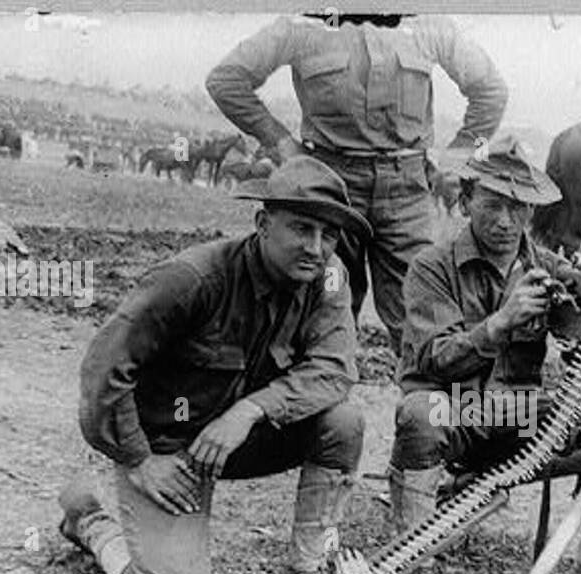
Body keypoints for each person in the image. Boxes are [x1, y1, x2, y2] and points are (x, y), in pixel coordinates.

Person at [58, 157, 369, 574]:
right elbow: (105, 368)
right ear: (263, 223)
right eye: (302, 229)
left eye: (329, 235)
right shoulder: (193, 279)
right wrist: (140, 459)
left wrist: (249, 412)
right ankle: (91, 520)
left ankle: (308, 569)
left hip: (238, 438)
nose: (317, 247)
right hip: (171, 448)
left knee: (343, 422)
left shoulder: (328, 277)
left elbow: (333, 368)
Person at [390, 137, 581, 574]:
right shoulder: (432, 267)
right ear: (465, 202)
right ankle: (410, 572)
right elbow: (431, 360)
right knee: (420, 415)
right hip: (458, 411)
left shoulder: (546, 267)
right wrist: (498, 325)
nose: (506, 222)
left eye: (519, 209)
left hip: (519, 416)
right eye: (493, 205)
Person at [206, 13, 508, 354]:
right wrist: (281, 144)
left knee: (421, 315)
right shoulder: (303, 24)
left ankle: (421, 404)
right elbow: (226, 80)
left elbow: (491, 92)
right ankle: (321, 398)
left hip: (406, 195)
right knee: (324, 307)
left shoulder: (427, 25)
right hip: (330, 193)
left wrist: (455, 158)